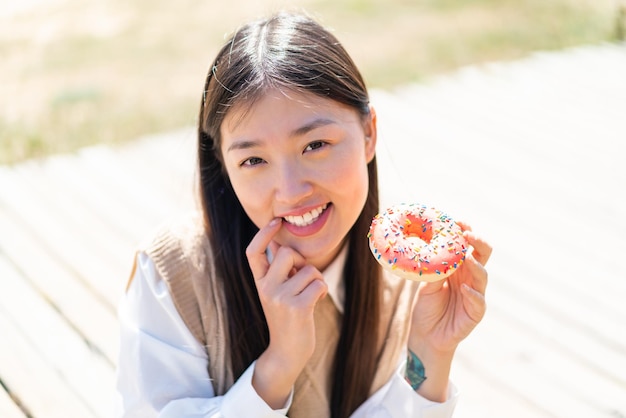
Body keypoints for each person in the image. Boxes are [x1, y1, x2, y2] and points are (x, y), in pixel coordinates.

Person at [115, 10, 492, 418]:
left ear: (369, 134)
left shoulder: (406, 284)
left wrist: (430, 354)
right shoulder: (174, 275)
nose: (291, 191)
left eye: (315, 145)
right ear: (223, 165)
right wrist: (277, 368)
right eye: (254, 160)